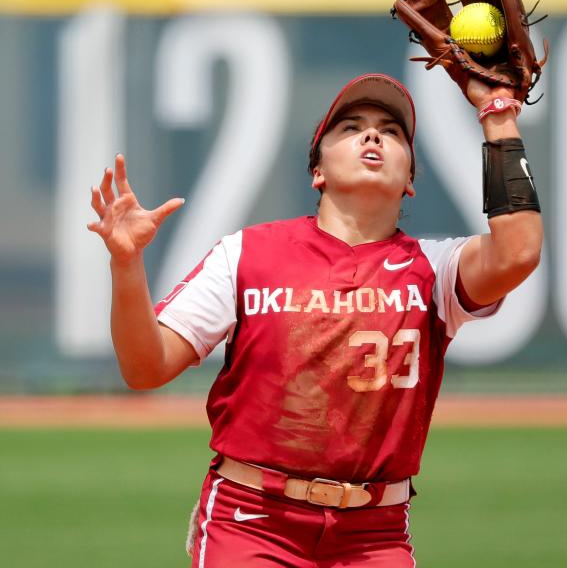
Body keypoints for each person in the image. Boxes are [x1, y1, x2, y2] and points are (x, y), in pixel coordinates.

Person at [87, 72, 543, 566]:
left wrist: (498, 117)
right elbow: (144, 367)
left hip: (376, 535)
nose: (373, 135)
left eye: (391, 131)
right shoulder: (247, 255)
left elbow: (518, 251)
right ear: (317, 172)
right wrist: (127, 265)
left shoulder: (432, 270)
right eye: (351, 127)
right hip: (253, 521)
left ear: (409, 179)